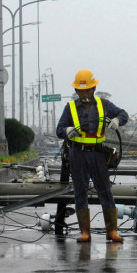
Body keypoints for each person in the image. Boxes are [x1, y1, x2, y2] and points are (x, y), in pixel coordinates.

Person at [56, 69, 128, 243]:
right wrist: (67, 131)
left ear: (94, 89)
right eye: (80, 91)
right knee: (81, 192)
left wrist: (117, 121)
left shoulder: (104, 104)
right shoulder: (70, 107)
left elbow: (123, 114)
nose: (84, 94)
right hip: (77, 154)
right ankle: (85, 233)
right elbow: (59, 130)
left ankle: (111, 231)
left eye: (87, 90)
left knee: (105, 191)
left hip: (97, 153)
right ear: (76, 92)